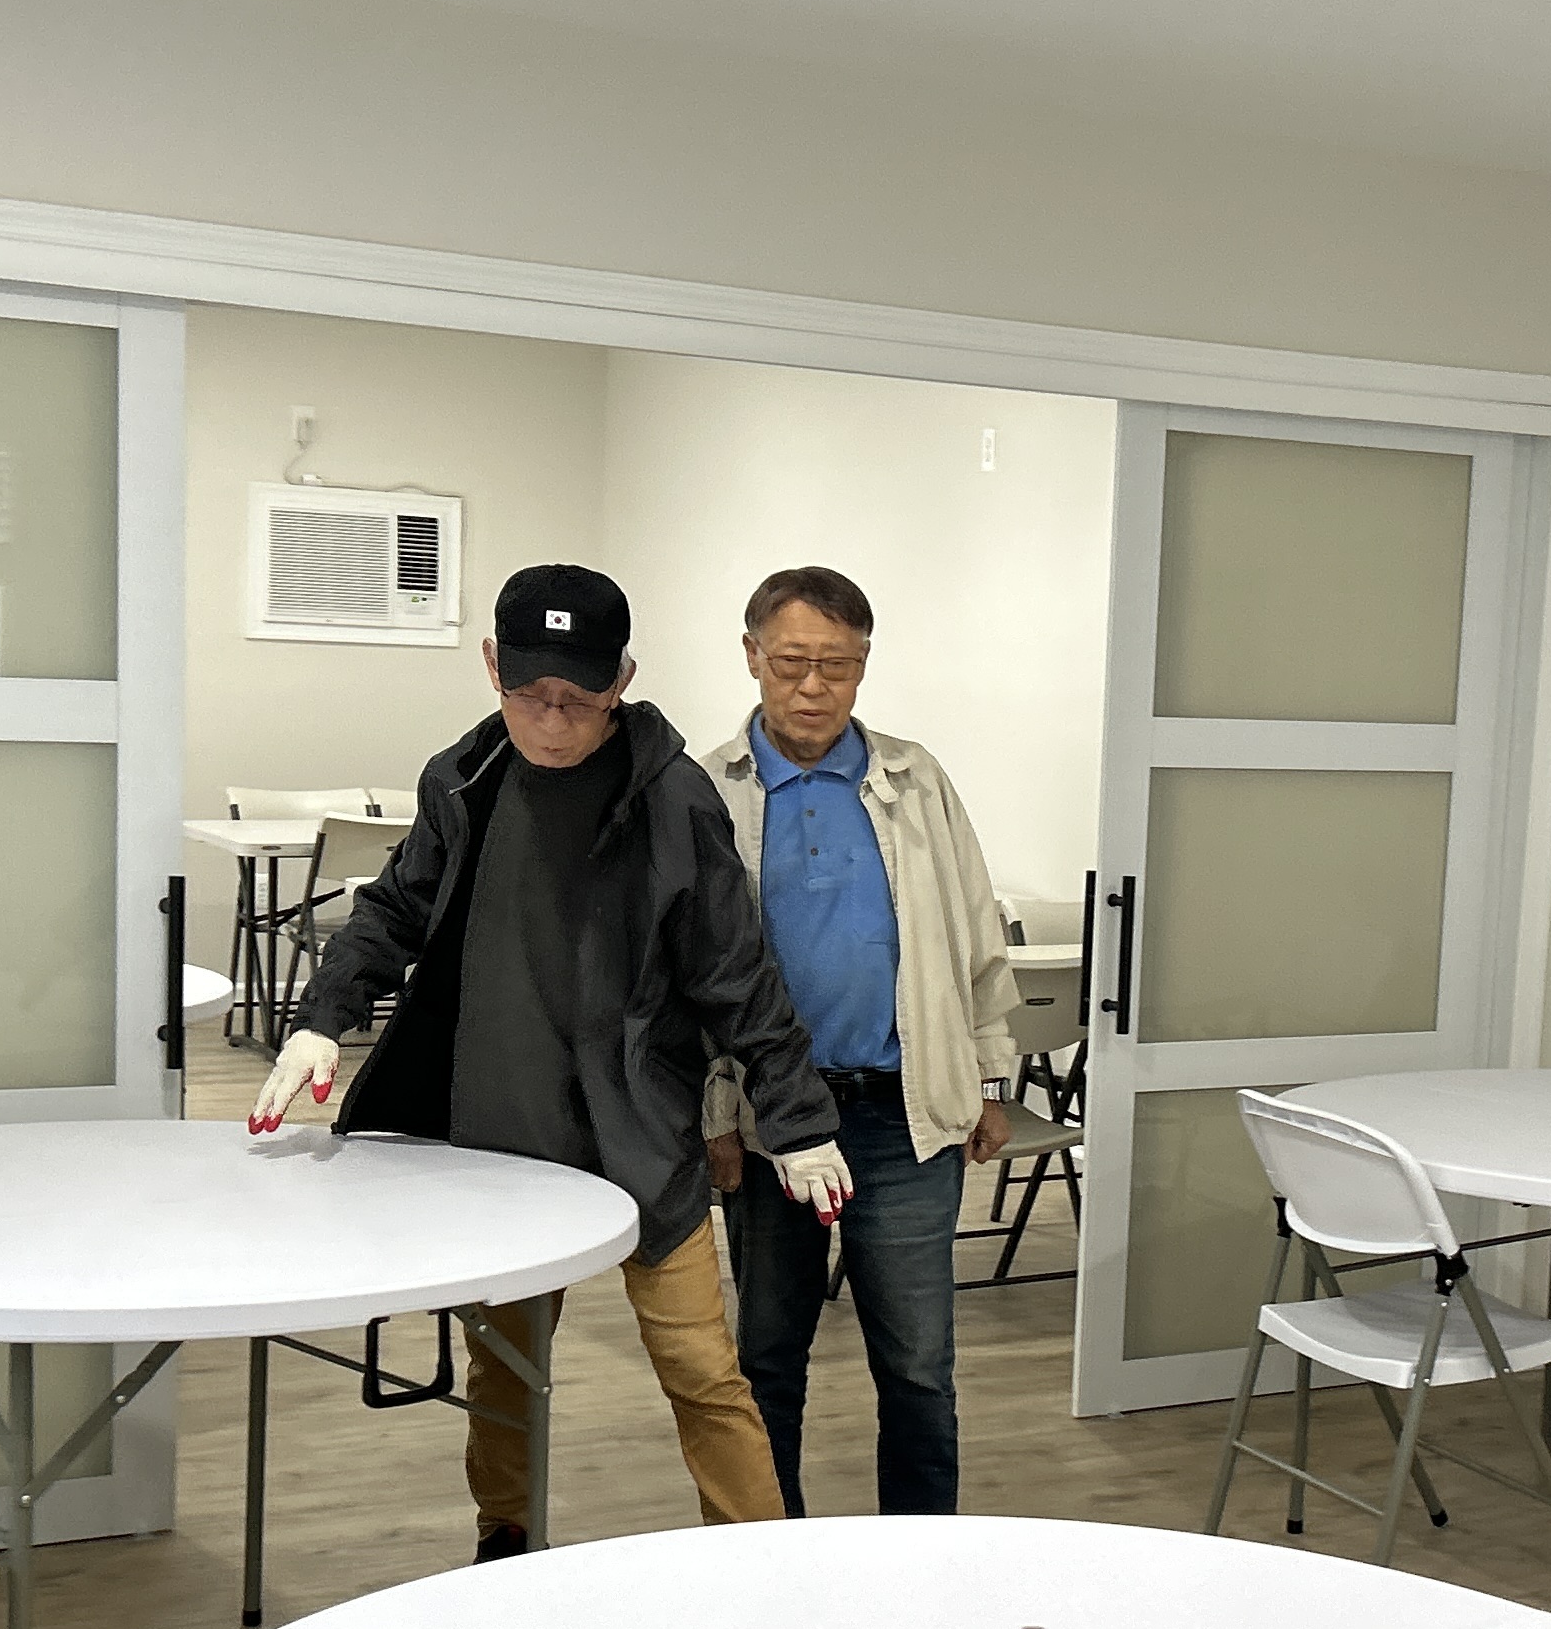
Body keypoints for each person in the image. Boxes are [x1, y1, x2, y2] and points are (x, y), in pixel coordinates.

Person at [254, 562, 853, 1557]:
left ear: (623, 679)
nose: (554, 720)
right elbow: (395, 909)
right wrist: (323, 1016)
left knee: (704, 1371)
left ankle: (759, 1562)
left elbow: (736, 974)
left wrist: (797, 1120)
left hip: (643, 1138)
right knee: (504, 1365)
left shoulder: (675, 800)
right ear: (493, 666)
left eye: (580, 697)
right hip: (505, 1134)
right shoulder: (465, 780)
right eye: (531, 693)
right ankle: (505, 1539)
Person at [699, 565, 1023, 1516]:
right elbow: (685, 982)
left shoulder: (914, 782)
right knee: (768, 1359)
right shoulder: (708, 792)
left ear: (864, 665)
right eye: (791, 662)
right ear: (752, 655)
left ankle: (921, 1556)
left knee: (919, 1364)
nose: (813, 686)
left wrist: (989, 1080)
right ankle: (772, 1550)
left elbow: (974, 935)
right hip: (768, 1121)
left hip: (902, 1114)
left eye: (836, 665)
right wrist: (713, 1117)